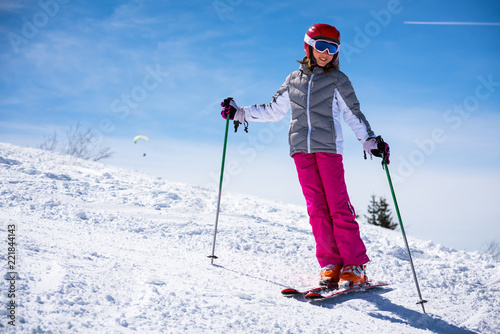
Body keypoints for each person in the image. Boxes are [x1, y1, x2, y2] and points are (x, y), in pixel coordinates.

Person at [221, 23, 389, 288]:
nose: (326, 53)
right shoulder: (293, 80)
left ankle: (355, 265)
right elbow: (273, 110)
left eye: (332, 48)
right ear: (308, 47)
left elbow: (353, 114)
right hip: (301, 151)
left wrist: (369, 140)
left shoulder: (338, 81)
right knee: (317, 210)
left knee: (338, 207)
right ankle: (331, 264)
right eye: (321, 46)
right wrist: (240, 113)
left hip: (329, 150)